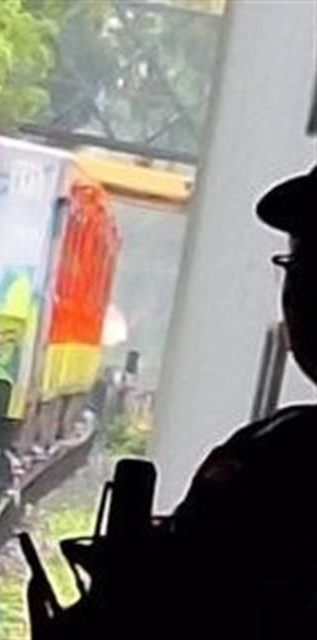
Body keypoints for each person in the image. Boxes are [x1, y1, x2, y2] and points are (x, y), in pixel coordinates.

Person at [167, 164, 317, 637]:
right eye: (297, 264)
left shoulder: (271, 461)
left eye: (304, 264)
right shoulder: (270, 452)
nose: (296, 292)